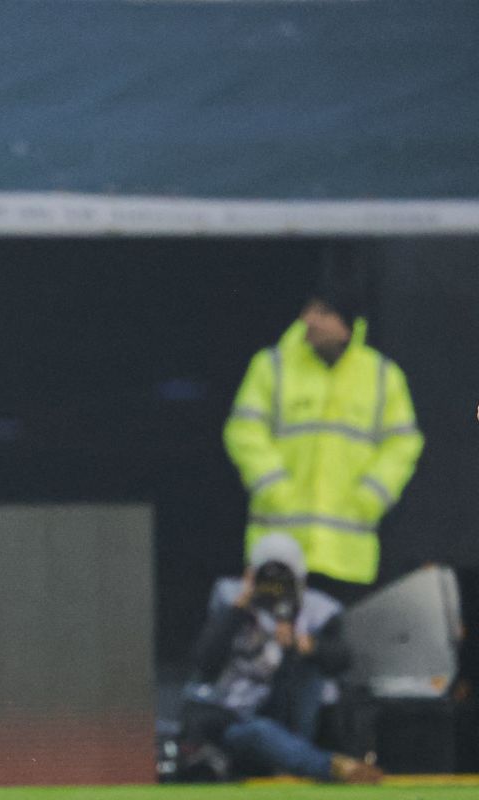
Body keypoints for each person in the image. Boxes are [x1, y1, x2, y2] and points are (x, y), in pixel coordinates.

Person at [223, 263, 423, 599]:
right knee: (276, 644)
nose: (309, 319)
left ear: (346, 325)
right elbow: (243, 430)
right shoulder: (272, 367)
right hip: (279, 548)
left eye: (323, 312)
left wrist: (371, 495)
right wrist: (273, 486)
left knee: (336, 648)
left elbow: (403, 443)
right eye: (309, 308)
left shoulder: (381, 376)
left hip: (347, 556)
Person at [181, 533, 381, 783]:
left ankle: (304, 758)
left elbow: (343, 660)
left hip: (281, 716)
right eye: (267, 580)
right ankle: (331, 767)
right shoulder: (230, 599)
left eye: (282, 582)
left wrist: (301, 645)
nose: (274, 589)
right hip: (226, 720)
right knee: (258, 732)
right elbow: (204, 663)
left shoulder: (316, 609)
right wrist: (240, 607)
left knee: (305, 678)